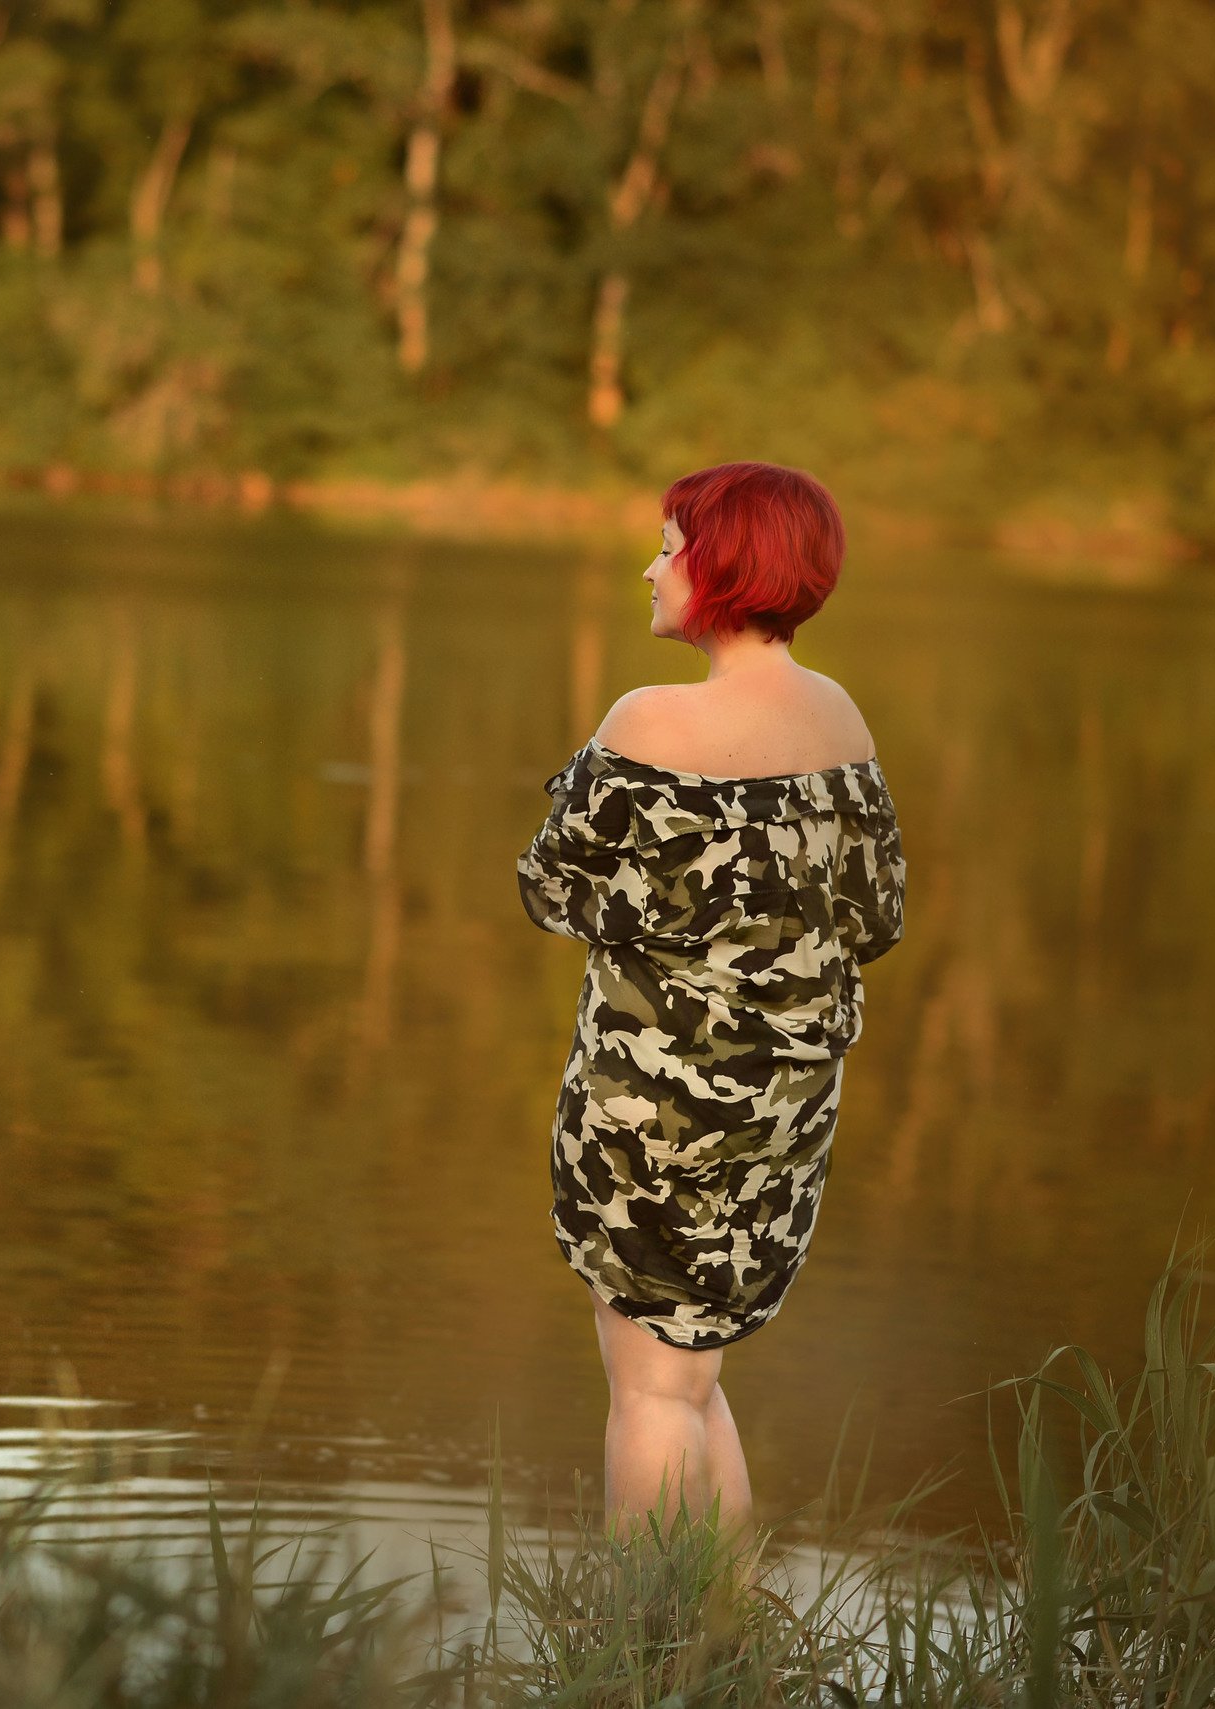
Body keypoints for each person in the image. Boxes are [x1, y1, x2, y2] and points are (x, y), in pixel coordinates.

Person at [517, 461, 906, 1546]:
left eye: (667, 546)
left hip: (651, 1108)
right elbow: (874, 917)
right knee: (689, 1381)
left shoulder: (647, 718)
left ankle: (640, 1654)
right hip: (784, 1113)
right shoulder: (841, 718)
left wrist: (658, 915)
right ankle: (722, 1642)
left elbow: (551, 885)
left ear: (721, 566)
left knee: (646, 1388)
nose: (650, 568)